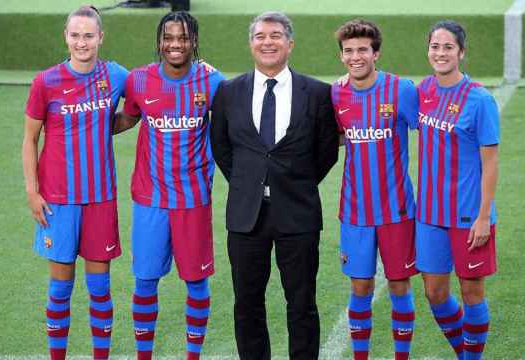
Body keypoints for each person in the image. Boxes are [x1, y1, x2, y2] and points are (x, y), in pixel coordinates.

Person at [210, 11, 339, 360]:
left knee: (301, 304)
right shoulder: (228, 92)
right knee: (247, 304)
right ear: (251, 43)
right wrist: (249, 182)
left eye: (276, 35)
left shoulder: (317, 93)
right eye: (261, 36)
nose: (268, 42)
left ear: (290, 43)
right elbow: (221, 147)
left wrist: (293, 183)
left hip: (297, 214)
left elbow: (326, 151)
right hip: (245, 216)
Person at [113, 11, 224, 360]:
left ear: (194, 42)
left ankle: (194, 355)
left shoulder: (212, 82)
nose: (175, 45)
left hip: (193, 198)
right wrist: (83, 122)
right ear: (159, 41)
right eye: (169, 38)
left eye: (183, 38)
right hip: (150, 198)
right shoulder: (138, 81)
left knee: (196, 281)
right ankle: (143, 355)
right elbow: (128, 117)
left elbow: (229, 127)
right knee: (145, 281)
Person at [22, 5, 127, 360]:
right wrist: (32, 191)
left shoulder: (114, 75)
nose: (81, 42)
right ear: (65, 36)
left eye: (88, 35)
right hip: (57, 201)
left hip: (100, 199)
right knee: (60, 289)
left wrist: (112, 125)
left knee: (100, 289)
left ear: (101, 38)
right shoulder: (46, 82)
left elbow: (146, 96)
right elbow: (29, 139)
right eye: (75, 35)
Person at [331, 19, 419, 360]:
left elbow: (427, 128)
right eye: (349, 51)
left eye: (362, 50)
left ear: (376, 53)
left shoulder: (401, 90)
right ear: (341, 56)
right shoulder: (336, 93)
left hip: (396, 210)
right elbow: (338, 136)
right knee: (360, 286)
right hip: (355, 212)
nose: (356, 57)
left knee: (399, 285)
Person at [416, 20, 499, 360]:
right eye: (435, 46)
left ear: (461, 52)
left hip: (469, 215)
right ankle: (465, 354)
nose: (441, 53)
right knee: (435, 292)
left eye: (448, 47)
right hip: (430, 215)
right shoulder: (423, 90)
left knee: (471, 291)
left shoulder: (480, 99)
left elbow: (491, 163)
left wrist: (483, 217)